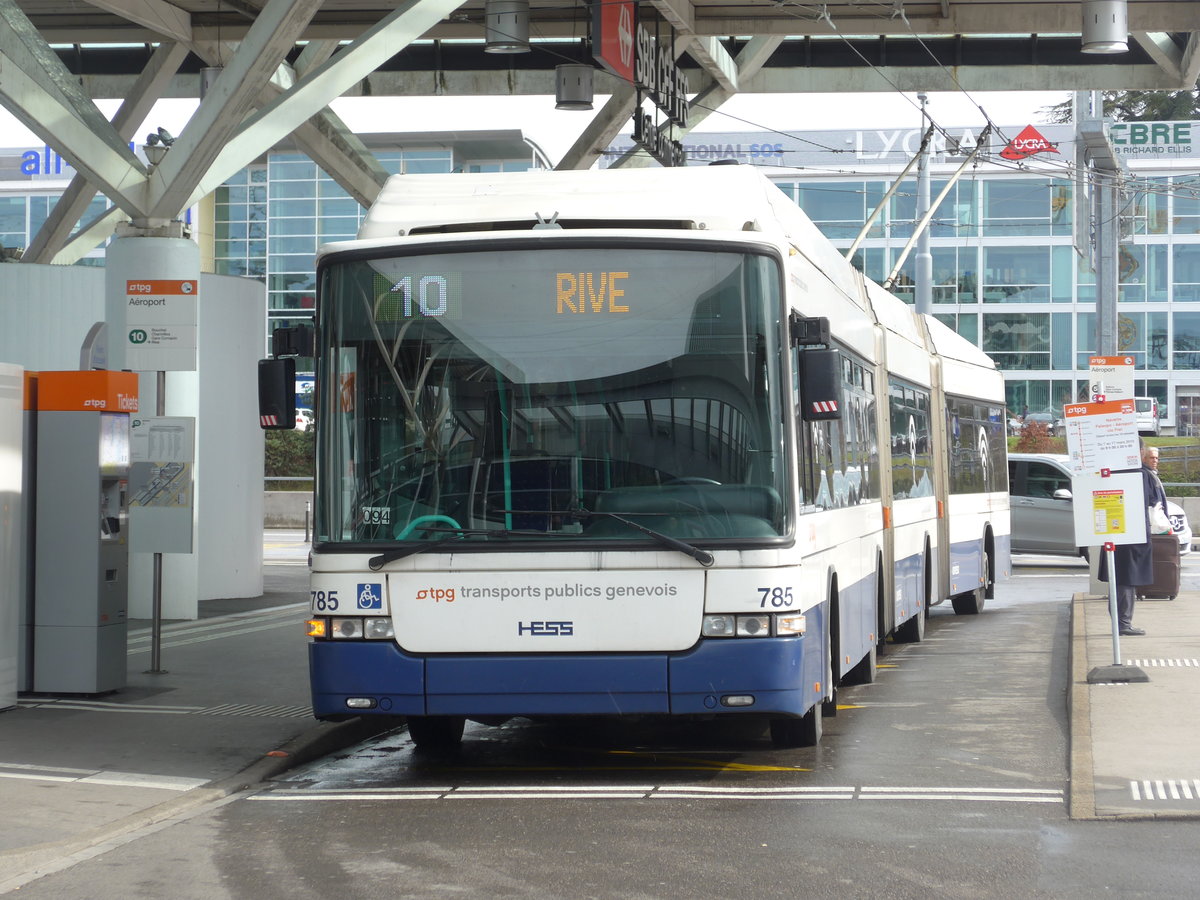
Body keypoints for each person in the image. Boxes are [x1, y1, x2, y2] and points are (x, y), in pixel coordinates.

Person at [1099, 441, 1164, 636]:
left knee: (1118, 577)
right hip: (1134, 534)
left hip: (1114, 531)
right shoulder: (1141, 474)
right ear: (1140, 452)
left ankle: (1120, 622)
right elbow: (1153, 502)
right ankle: (1123, 623)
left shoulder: (1111, 471)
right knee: (1128, 579)